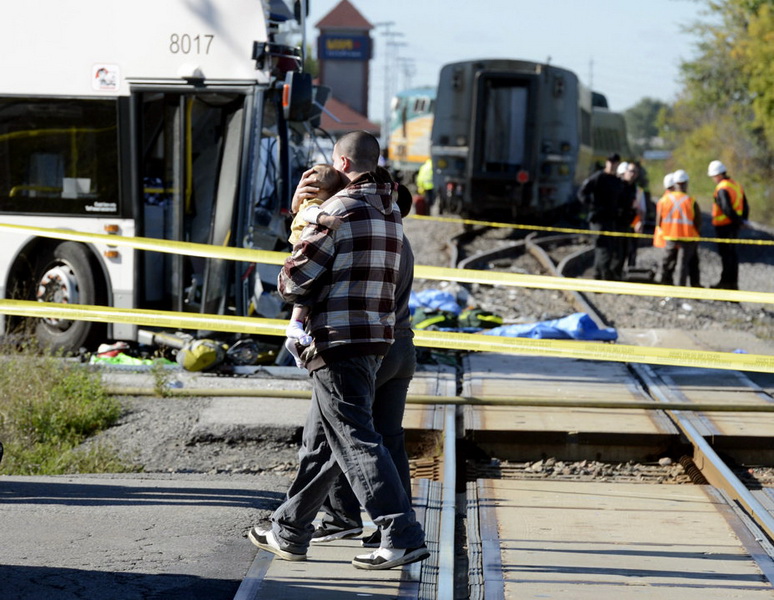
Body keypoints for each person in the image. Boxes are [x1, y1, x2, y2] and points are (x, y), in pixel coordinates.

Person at [248, 131, 429, 571]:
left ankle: (400, 532)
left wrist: (302, 218)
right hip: (379, 340)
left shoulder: (335, 212)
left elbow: (294, 282)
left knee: (353, 439)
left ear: (343, 163)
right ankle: (291, 529)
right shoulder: (390, 214)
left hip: (338, 341)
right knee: (338, 442)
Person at [310, 183, 416, 549]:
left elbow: (304, 277)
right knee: (389, 439)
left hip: (370, 347)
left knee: (339, 438)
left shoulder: (369, 239)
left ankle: (340, 517)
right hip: (403, 345)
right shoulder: (399, 240)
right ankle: (400, 524)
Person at [285, 164, 345, 366]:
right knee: (308, 292)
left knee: (308, 293)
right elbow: (310, 213)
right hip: (301, 248)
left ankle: (296, 333)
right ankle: (295, 325)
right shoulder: (314, 202)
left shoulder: (309, 200)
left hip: (299, 246)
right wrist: (327, 219)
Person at [577, 153, 633, 280]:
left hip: (610, 219)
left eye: (615, 163)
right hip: (598, 219)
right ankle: (603, 276)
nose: (612, 165)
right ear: (607, 163)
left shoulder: (616, 180)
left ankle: (598, 275)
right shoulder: (598, 177)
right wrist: (592, 206)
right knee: (604, 248)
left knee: (607, 247)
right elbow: (582, 193)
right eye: (611, 162)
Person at [707, 160, 749, 290]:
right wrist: (742, 221)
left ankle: (726, 284)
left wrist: (737, 222)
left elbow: (726, 208)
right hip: (734, 226)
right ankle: (731, 283)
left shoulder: (722, 188)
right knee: (732, 255)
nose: (713, 179)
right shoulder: (736, 185)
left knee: (727, 256)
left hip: (724, 226)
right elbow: (745, 206)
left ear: (718, 175)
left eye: (713, 176)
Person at [656, 169, 701, 286]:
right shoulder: (691, 201)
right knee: (683, 264)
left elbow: (658, 222)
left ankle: (663, 283)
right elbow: (698, 222)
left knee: (666, 262)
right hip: (687, 238)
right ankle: (681, 288)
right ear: (686, 183)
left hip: (670, 236)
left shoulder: (664, 200)